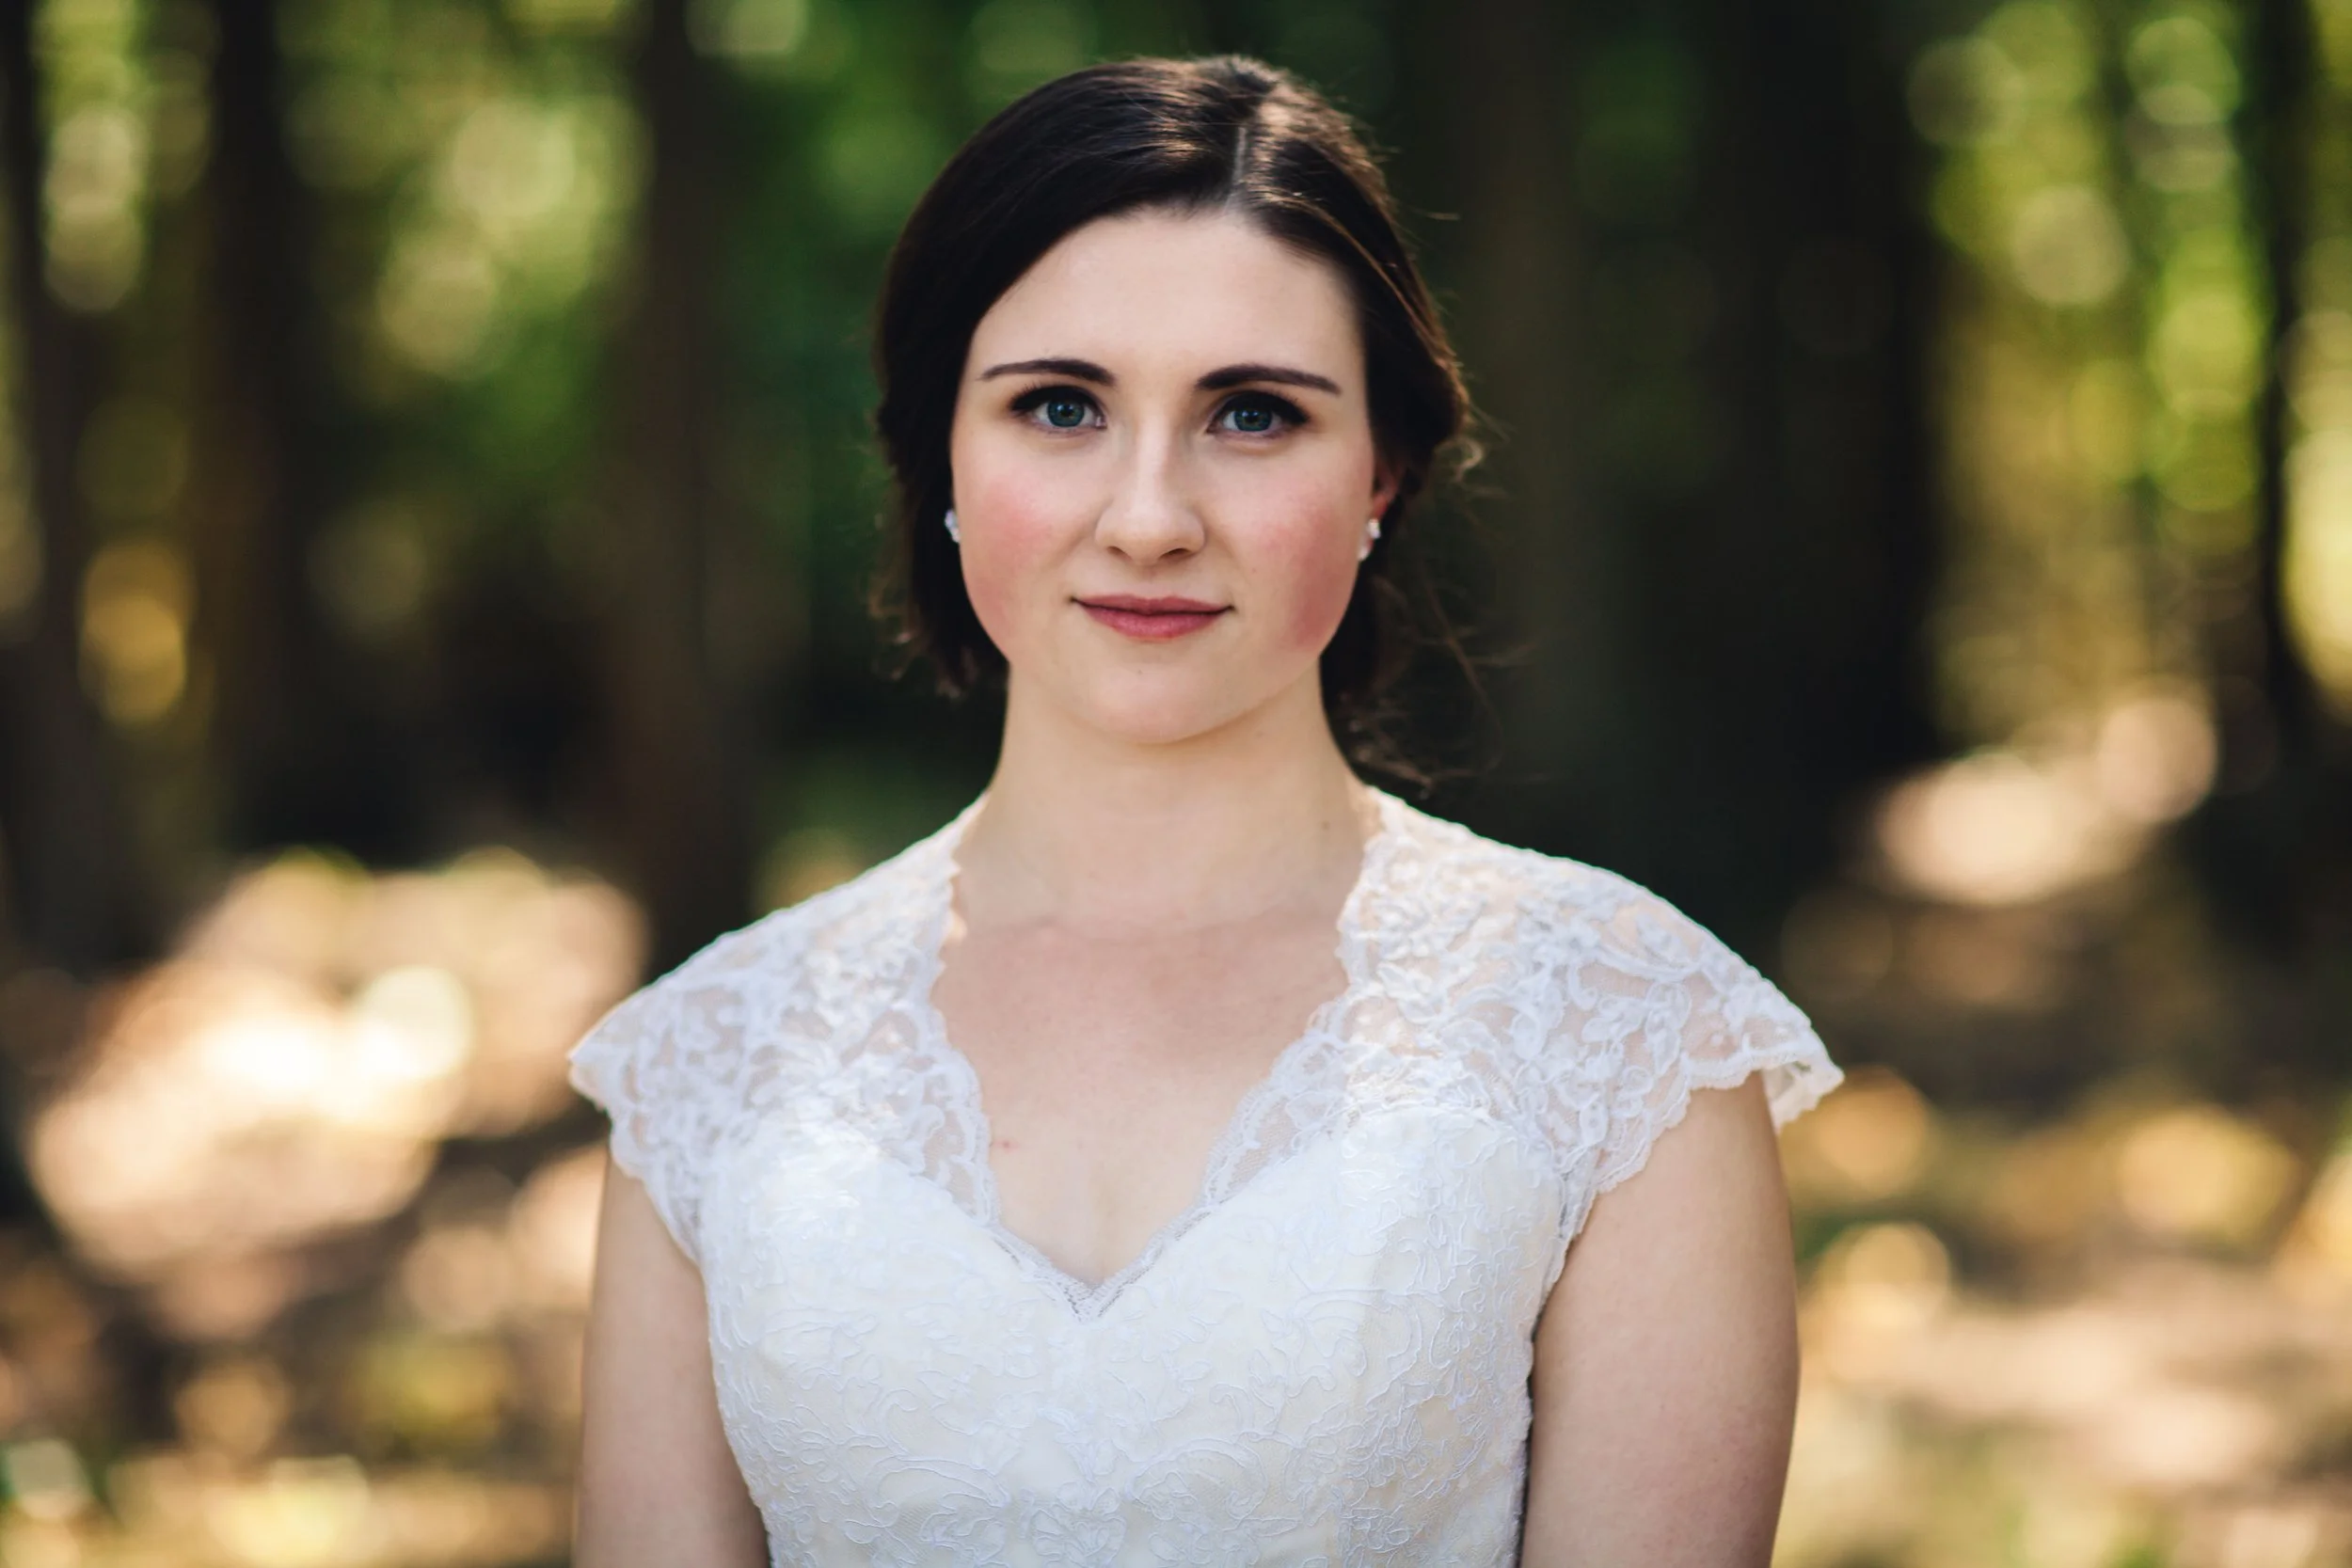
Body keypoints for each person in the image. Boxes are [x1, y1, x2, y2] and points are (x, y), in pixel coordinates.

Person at [567, 55, 1842, 1568]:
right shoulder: (709, 1064)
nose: (1153, 515)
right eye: (1058, 406)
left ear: (1382, 471)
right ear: (942, 460)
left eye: (1250, 414)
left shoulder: (1626, 1042)